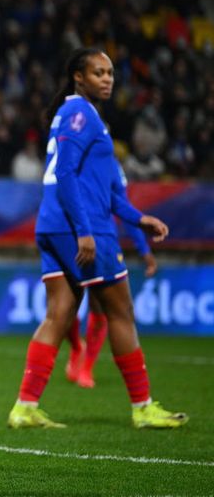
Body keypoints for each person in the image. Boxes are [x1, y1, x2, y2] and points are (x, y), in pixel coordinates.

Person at [7, 47, 188, 430]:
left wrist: (140, 220)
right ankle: (143, 407)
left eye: (109, 73)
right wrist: (85, 231)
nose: (107, 79)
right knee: (121, 312)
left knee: (58, 315)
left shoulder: (81, 116)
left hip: (55, 225)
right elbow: (68, 176)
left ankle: (25, 407)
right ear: (78, 77)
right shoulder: (79, 113)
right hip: (81, 228)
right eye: (98, 73)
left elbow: (106, 192)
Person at [64, 162, 158, 389]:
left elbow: (122, 204)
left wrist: (144, 250)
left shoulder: (111, 166)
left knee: (99, 306)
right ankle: (77, 346)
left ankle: (87, 367)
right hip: (67, 237)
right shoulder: (66, 161)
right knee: (64, 308)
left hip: (100, 242)